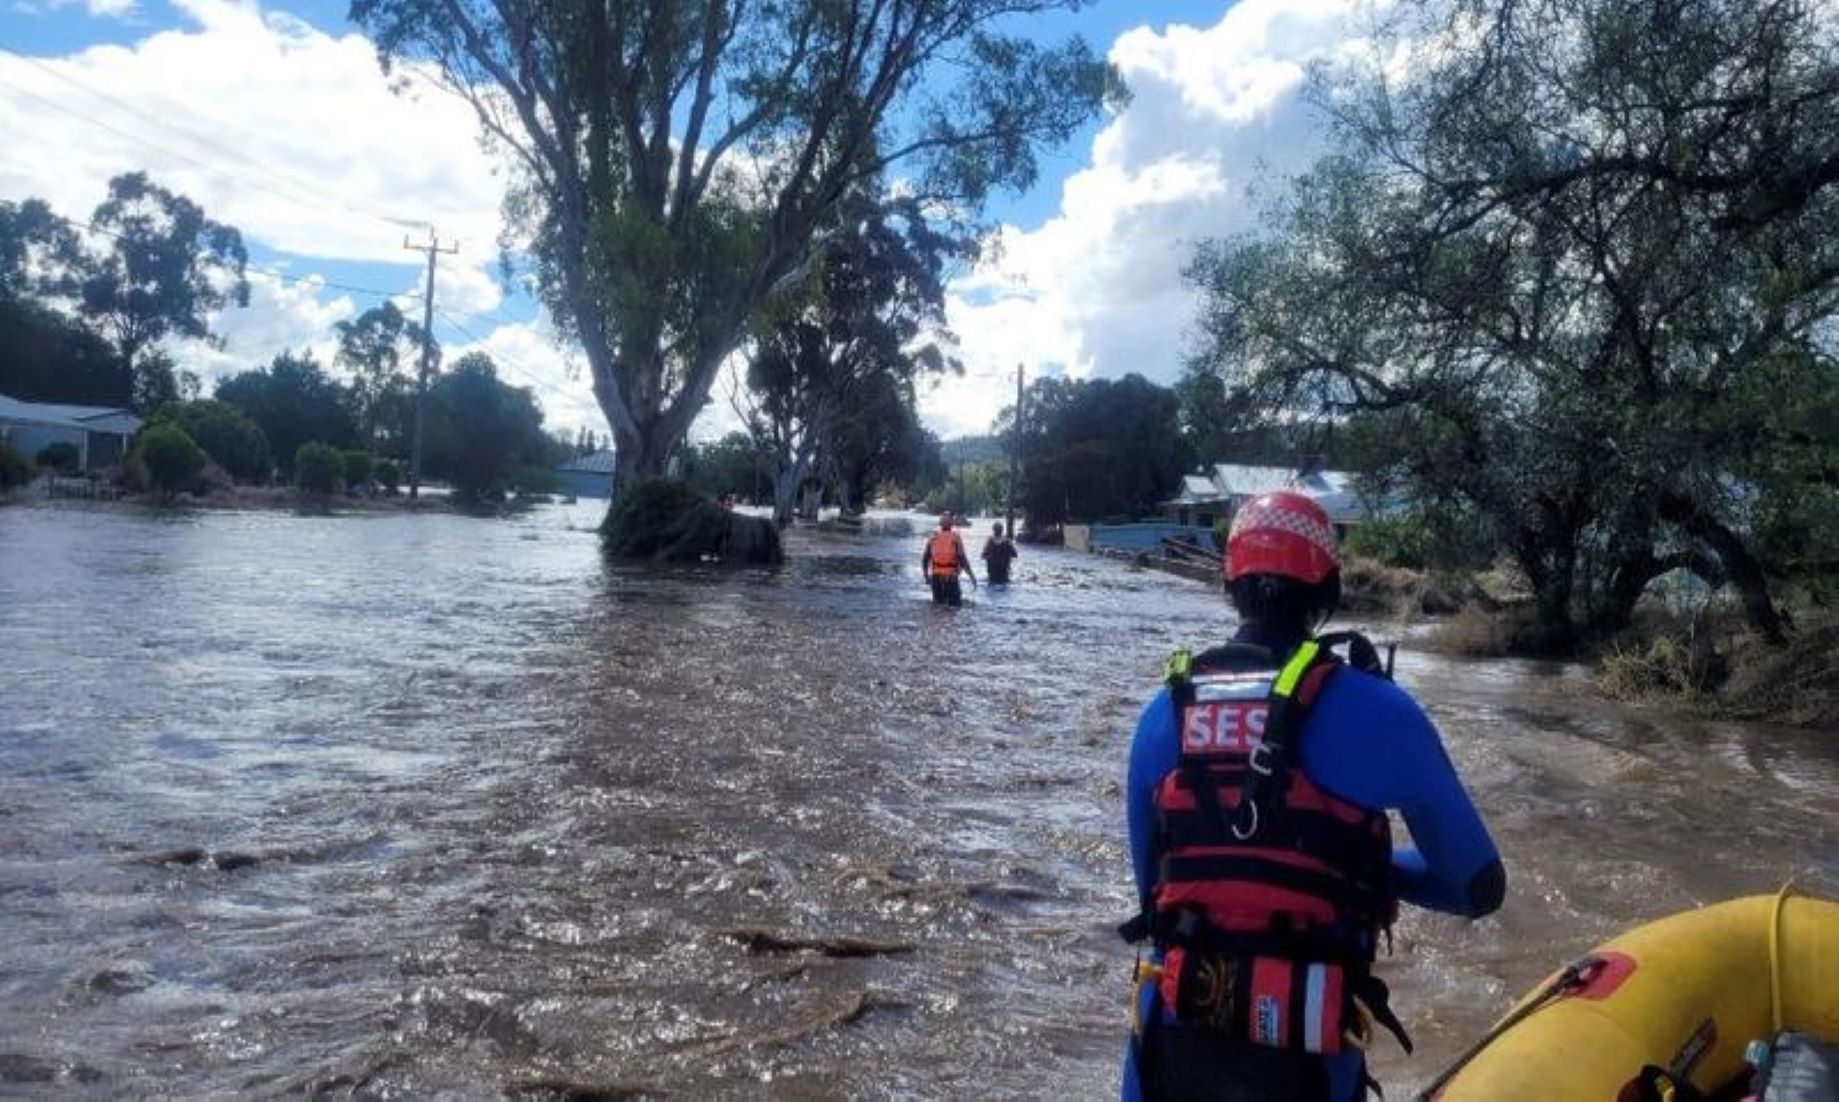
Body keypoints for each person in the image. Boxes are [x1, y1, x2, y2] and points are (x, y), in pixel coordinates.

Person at [1119, 490, 1504, 1102]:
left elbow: (1153, 890)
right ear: (1328, 589)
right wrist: (1365, 870)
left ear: (1230, 583)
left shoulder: (1162, 715)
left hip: (1170, 1049)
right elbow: (1477, 886)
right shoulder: (1385, 713)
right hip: (1305, 1052)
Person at [920, 510, 977, 607]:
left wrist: (926, 576)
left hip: (936, 577)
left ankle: (939, 622)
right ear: (952, 524)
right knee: (955, 607)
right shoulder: (955, 538)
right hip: (950, 577)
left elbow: (925, 559)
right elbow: (962, 559)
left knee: (938, 606)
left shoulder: (933, 537)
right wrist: (971, 576)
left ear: (940, 524)